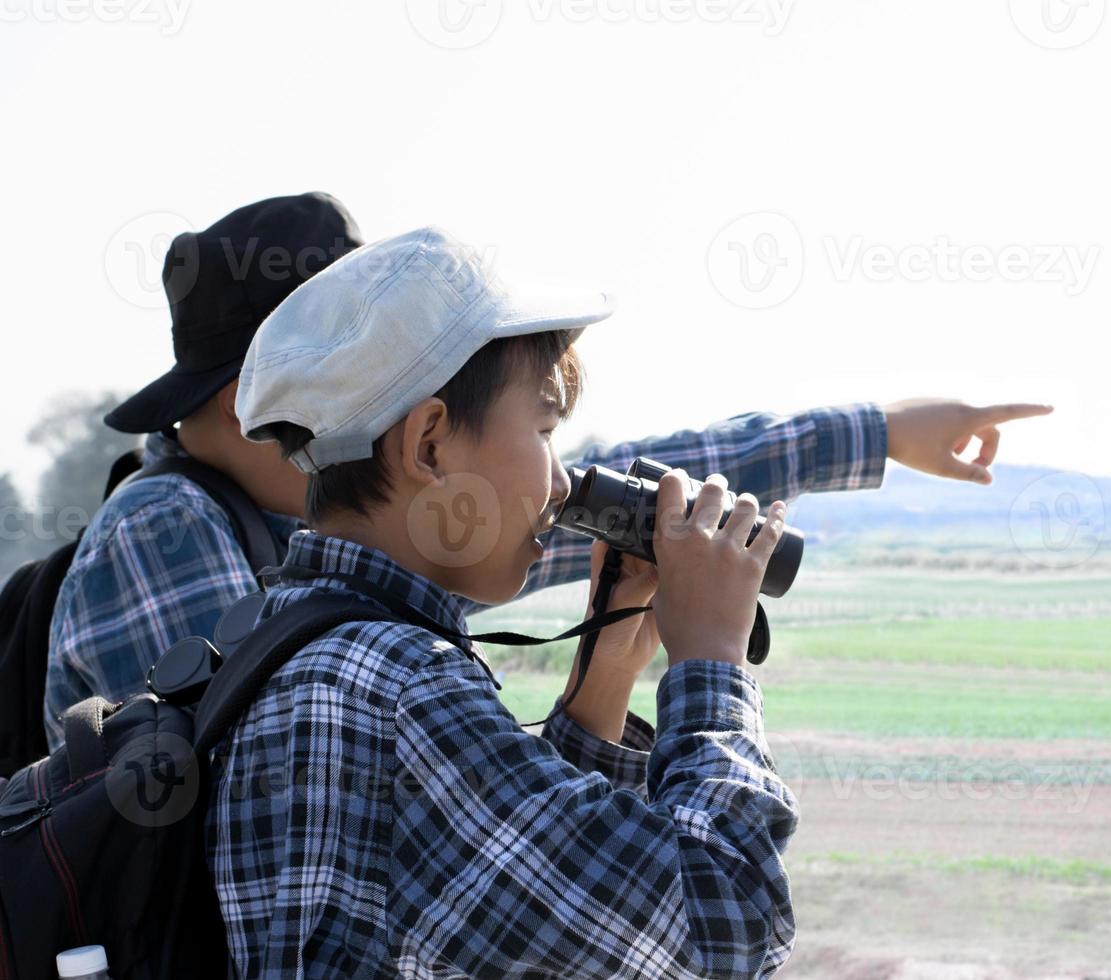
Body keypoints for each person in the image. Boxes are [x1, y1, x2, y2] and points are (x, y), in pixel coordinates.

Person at [47, 193, 1046, 748]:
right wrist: (707, 667)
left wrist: (868, 431)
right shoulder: (168, 535)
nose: (556, 480)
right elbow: (709, 911)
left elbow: (579, 484)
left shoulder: (323, 564)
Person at [215, 225, 839, 974]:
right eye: (545, 428)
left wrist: (605, 675)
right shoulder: (400, 691)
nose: (563, 483)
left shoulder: (295, 642)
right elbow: (724, 932)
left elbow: (526, 913)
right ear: (430, 447)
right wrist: (711, 663)